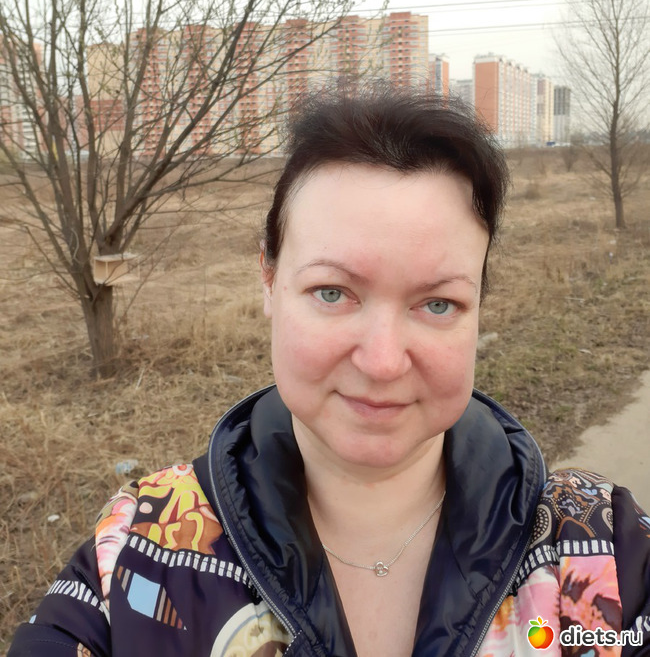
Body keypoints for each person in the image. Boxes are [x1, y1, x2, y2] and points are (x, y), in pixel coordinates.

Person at [8, 86, 650, 657]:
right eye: (333, 292)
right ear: (268, 279)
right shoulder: (137, 552)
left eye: (437, 304)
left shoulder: (603, 553)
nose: (382, 361)